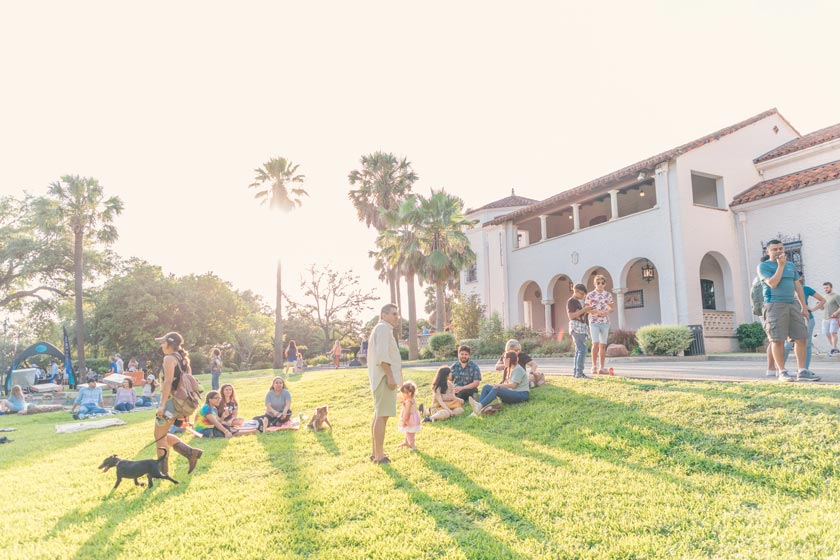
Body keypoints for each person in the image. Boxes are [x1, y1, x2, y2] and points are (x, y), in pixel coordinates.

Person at [758, 240, 819, 381]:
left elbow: (798, 287)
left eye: (781, 248)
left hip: (792, 304)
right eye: (775, 249)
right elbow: (772, 283)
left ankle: (802, 371)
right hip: (774, 305)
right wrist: (780, 266)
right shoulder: (763, 266)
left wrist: (803, 306)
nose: (779, 251)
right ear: (768, 252)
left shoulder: (791, 266)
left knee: (801, 337)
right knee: (777, 339)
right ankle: (782, 372)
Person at [153, 332, 203, 475]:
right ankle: (190, 453)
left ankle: (162, 473)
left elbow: (168, 382)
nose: (161, 345)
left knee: (159, 437)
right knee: (160, 435)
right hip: (180, 404)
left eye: (163, 342)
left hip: (170, 404)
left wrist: (162, 405)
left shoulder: (169, 358)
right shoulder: (182, 359)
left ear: (169, 344)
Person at [368, 303, 402, 464]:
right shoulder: (382, 329)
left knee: (379, 415)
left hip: (381, 378)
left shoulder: (383, 329)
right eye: (394, 314)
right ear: (383, 315)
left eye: (397, 314)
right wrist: (390, 376)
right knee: (382, 416)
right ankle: (379, 456)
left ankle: (375, 452)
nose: (397, 317)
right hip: (384, 378)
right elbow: (382, 356)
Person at [782, 273, 825, 369]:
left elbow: (822, 300)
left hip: (807, 319)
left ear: (800, 278)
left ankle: (804, 369)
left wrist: (812, 309)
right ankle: (780, 369)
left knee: (807, 344)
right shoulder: (786, 289)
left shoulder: (806, 289)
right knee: (788, 344)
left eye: (797, 276)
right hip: (791, 318)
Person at [470, 351, 529, 415]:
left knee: (497, 388)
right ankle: (478, 408)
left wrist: (499, 385)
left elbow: (513, 385)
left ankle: (479, 406)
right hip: (514, 392)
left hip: (521, 395)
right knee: (486, 387)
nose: (503, 360)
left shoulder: (518, 369)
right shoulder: (512, 368)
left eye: (504, 358)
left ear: (508, 359)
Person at [585, 275, 614, 375]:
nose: (600, 285)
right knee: (595, 343)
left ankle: (601, 368)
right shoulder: (590, 295)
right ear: (595, 284)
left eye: (602, 283)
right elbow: (587, 309)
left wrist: (608, 312)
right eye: (598, 283)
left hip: (605, 322)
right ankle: (593, 366)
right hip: (594, 322)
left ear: (605, 284)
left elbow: (611, 307)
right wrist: (597, 312)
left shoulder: (608, 295)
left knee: (603, 345)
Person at [567, 283, 593, 379]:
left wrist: (587, 310)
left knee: (579, 350)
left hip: (581, 327)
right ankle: (579, 373)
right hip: (576, 327)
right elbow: (571, 316)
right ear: (576, 291)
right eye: (581, 294)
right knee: (582, 350)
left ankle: (576, 373)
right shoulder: (571, 301)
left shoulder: (579, 301)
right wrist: (584, 310)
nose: (583, 296)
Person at [397, 381, 421, 449]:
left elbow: (407, 413)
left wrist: (404, 421)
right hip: (412, 418)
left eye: (403, 393)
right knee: (407, 430)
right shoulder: (410, 399)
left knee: (410, 433)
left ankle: (412, 445)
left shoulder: (409, 402)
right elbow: (403, 400)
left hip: (410, 419)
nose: (402, 395)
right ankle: (406, 442)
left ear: (409, 393)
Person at [822, 282, 840, 356]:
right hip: (825, 318)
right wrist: (819, 305)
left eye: (827, 287)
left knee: (833, 332)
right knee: (827, 333)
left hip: (834, 318)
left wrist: (836, 313)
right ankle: (835, 349)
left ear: (831, 287)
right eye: (824, 288)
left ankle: (833, 349)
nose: (825, 289)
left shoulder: (836, 296)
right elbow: (822, 308)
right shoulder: (824, 297)